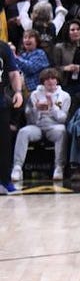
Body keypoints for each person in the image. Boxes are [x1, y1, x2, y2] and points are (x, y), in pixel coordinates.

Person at [11, 67, 68, 182]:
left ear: (57, 80)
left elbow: (63, 119)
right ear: (43, 81)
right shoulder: (34, 94)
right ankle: (17, 167)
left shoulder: (65, 96)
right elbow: (29, 119)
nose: (50, 81)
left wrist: (52, 107)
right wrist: (36, 110)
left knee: (62, 131)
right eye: (47, 79)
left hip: (54, 126)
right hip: (37, 126)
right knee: (24, 132)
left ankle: (59, 167)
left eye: (53, 78)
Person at [0, 40, 22, 193]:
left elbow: (14, 73)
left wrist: (18, 92)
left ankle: (5, 181)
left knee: (4, 143)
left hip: (1, 102)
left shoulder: (3, 47)